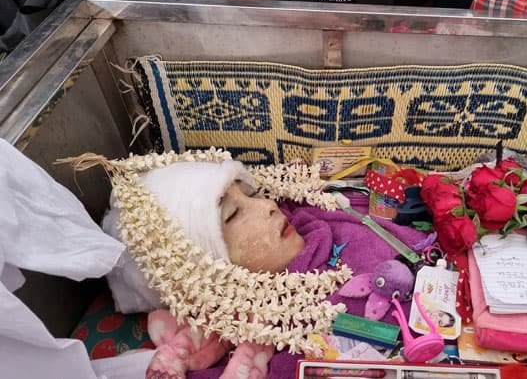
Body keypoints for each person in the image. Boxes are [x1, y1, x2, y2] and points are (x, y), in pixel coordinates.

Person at [101, 156, 427, 379]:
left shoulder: (323, 215)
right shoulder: (275, 339)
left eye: (252, 194)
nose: (269, 206)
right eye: (232, 215)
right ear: (208, 273)